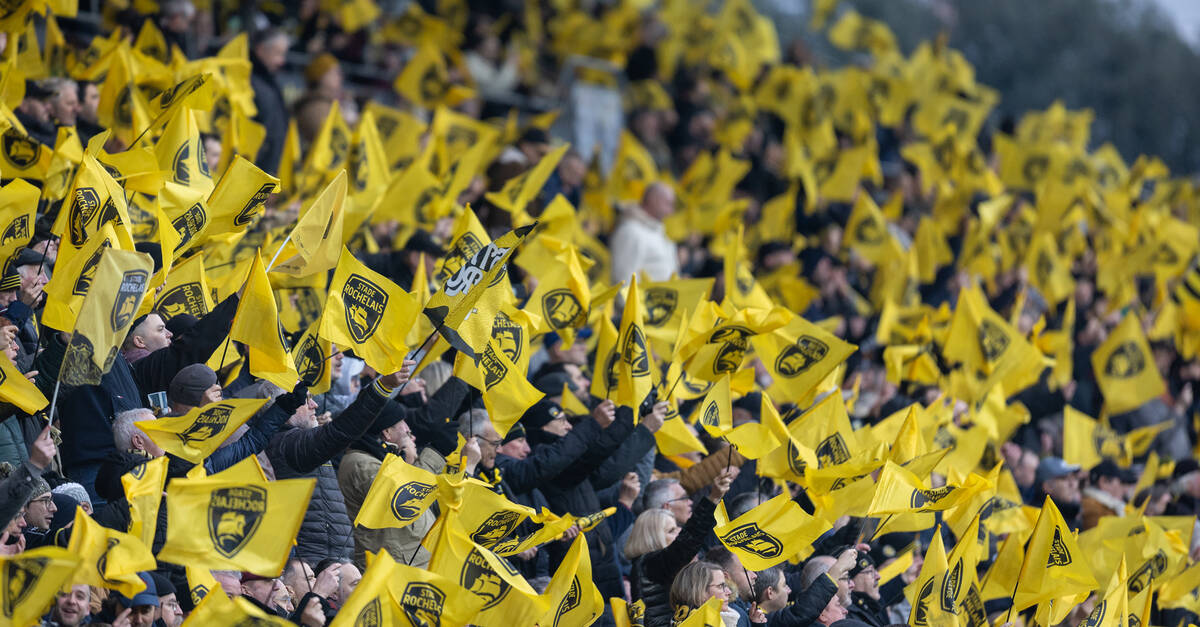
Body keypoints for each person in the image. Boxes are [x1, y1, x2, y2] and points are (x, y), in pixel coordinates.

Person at [629, 468, 735, 627]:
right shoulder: (649, 565)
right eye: (672, 530)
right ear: (653, 536)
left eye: (678, 528)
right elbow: (685, 544)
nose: (679, 532)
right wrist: (712, 499)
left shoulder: (661, 565)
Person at [610, 182, 680, 285]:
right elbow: (624, 279)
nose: (671, 211)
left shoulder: (660, 231)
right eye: (668, 204)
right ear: (653, 200)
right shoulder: (631, 231)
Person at [250, 27, 290, 174]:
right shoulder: (248, 81)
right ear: (261, 50)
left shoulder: (270, 81)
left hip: (267, 169)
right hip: (254, 169)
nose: (282, 61)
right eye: (278, 53)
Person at [1080, 459, 1135, 529]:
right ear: (1103, 482)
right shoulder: (1095, 509)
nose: (1125, 490)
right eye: (1121, 482)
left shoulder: (1103, 507)